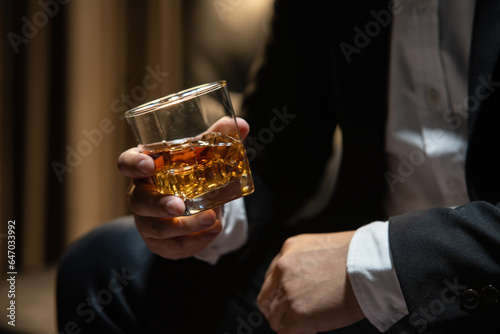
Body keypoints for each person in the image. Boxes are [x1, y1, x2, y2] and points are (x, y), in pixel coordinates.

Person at [57, 0, 500, 333]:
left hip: (479, 275)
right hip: (358, 279)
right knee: (105, 266)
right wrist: (212, 215)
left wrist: (378, 261)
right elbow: (283, 152)